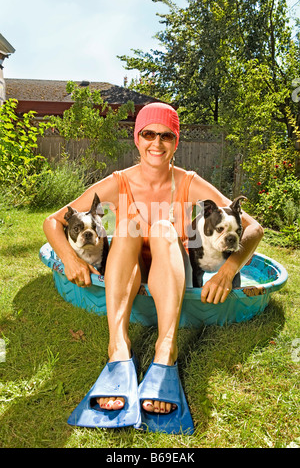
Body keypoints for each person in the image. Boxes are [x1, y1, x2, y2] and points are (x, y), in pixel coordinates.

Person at [43, 102, 263, 417]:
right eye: (148, 134)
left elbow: (254, 228)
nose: (156, 144)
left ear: (176, 142)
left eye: (166, 136)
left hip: (171, 271)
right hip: (127, 271)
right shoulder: (119, 181)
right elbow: (54, 221)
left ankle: (166, 347)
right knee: (129, 227)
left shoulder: (189, 183)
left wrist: (228, 271)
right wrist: (69, 258)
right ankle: (117, 345)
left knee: (161, 227)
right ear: (137, 138)